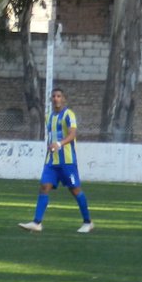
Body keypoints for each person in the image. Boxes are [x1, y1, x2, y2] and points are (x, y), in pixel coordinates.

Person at [19, 87, 93, 234]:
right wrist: (51, 148)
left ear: (63, 99)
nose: (56, 99)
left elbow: (72, 134)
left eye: (59, 96)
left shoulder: (69, 114)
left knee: (75, 190)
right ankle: (37, 222)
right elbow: (51, 137)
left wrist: (59, 144)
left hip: (67, 161)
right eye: (53, 96)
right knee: (44, 187)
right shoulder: (49, 117)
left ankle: (87, 222)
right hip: (52, 161)